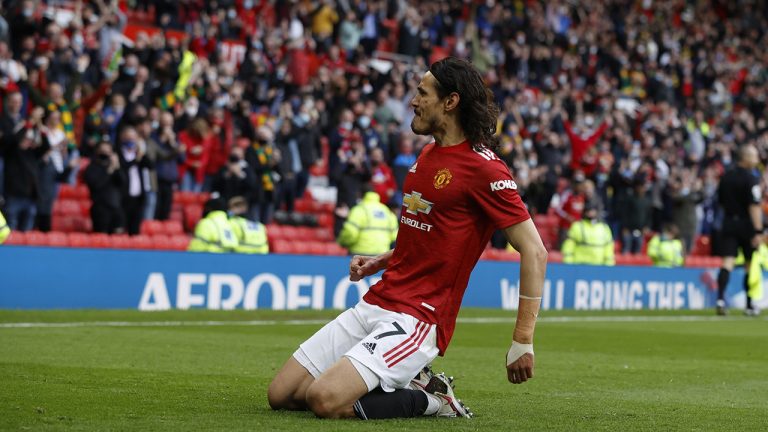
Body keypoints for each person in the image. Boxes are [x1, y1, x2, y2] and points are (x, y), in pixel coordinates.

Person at [267, 57, 548, 420]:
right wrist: (381, 261)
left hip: (419, 318)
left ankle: (431, 399)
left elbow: (535, 251)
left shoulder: (485, 168)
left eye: (421, 93)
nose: (412, 101)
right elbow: (426, 233)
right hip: (380, 298)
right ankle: (409, 381)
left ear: (450, 102)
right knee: (283, 394)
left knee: (324, 400)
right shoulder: (428, 154)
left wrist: (522, 339)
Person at [714, 144, 763, 316]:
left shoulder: (726, 177)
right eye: (755, 156)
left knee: (727, 262)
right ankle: (749, 304)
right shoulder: (751, 179)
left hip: (728, 222)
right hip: (746, 225)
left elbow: (720, 200)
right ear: (746, 157)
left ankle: (720, 299)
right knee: (749, 265)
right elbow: (754, 206)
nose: (757, 159)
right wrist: (758, 231)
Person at [337, 186, 398, 256]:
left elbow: (350, 233)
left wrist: (342, 242)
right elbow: (394, 235)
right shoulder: (386, 211)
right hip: (381, 256)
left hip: (359, 255)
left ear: (360, 195)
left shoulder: (359, 210)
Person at [83, 141, 124, 234]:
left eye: (108, 151)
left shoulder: (115, 167)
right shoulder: (92, 168)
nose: (105, 154)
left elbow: (122, 183)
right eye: (102, 151)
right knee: (101, 237)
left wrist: (117, 167)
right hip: (100, 208)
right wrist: (109, 171)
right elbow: (96, 185)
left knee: (118, 236)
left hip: (116, 207)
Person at [561, 201, 615, 266]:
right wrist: (568, 265)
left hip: (599, 267)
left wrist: (609, 267)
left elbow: (608, 249)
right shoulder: (577, 226)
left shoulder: (604, 228)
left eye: (593, 210)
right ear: (584, 212)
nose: (591, 213)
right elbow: (568, 247)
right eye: (588, 210)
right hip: (579, 266)